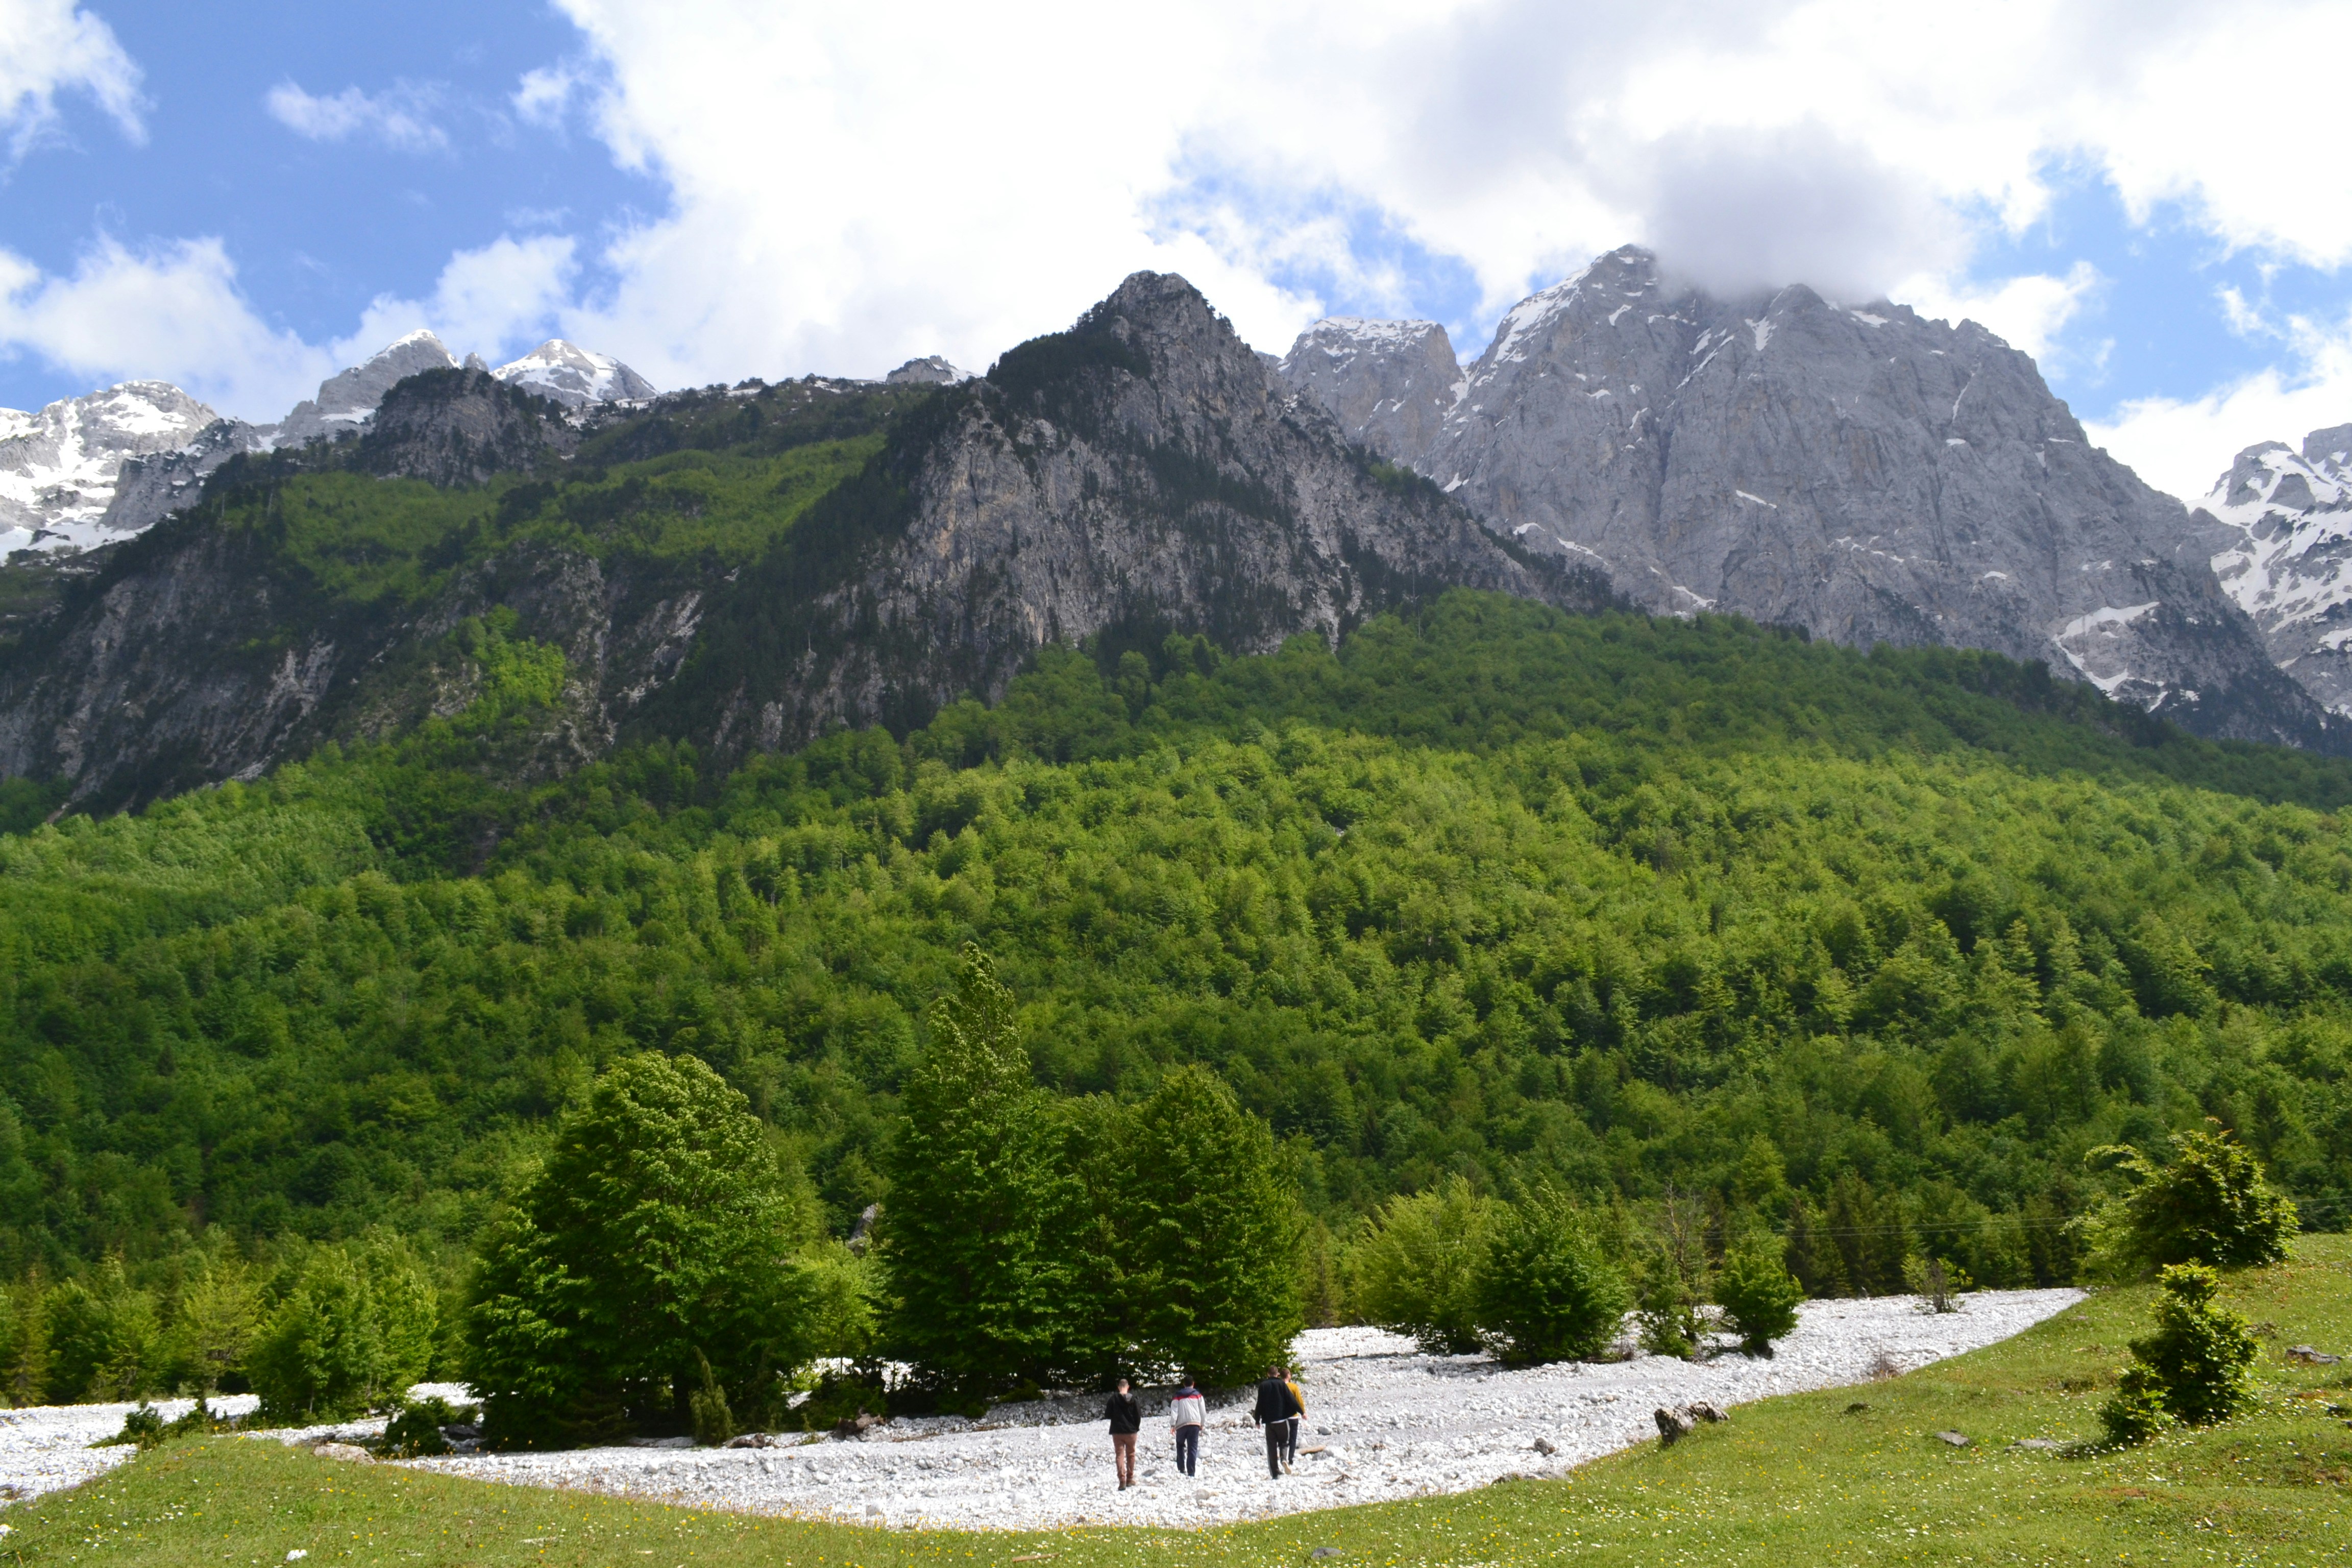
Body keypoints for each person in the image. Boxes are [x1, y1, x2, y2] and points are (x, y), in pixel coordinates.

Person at [1252, 1364, 1303, 1478]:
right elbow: (1291, 1399)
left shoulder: (1263, 1386)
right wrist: (1301, 1412)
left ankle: (1275, 1473)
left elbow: (1260, 1404)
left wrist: (1257, 1420)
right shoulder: (1281, 1384)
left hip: (1269, 1423)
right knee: (1284, 1443)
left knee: (1271, 1447)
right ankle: (1284, 1459)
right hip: (1282, 1421)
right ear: (1278, 1374)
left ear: (1268, 1374)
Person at [1105, 1377, 1143, 1488]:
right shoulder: (1134, 1400)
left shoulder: (1113, 1399)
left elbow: (1107, 1415)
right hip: (1131, 1432)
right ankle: (1130, 1479)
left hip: (1117, 1431)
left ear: (1118, 1387)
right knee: (1131, 1455)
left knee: (1120, 1455)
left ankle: (1122, 1480)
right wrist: (1136, 1428)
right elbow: (1138, 1415)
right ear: (1128, 1387)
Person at [1169, 1375, 1206, 1478]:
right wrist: (1202, 1423)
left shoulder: (1178, 1396)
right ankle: (1191, 1472)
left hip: (1181, 1425)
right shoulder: (1198, 1395)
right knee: (1192, 1448)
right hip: (1195, 1424)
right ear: (1193, 1384)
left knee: (1180, 1445)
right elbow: (1203, 1411)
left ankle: (1181, 1469)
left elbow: (1174, 1411)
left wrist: (1173, 1425)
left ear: (1184, 1384)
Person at [1284, 1367, 1307, 1467]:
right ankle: (1290, 1459)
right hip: (1293, 1417)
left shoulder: (1279, 1387)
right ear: (1288, 1375)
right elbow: (1299, 1400)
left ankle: (1283, 1457)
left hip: (1282, 1417)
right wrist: (1303, 1412)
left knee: (1284, 1439)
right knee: (1293, 1439)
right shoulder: (1294, 1387)